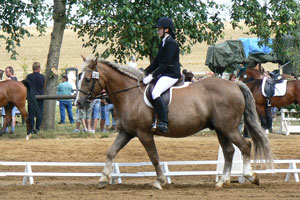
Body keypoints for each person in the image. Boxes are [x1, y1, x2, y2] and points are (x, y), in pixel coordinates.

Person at [143, 17, 181, 133]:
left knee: (155, 92)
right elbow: (156, 62)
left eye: (159, 29)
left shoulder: (171, 43)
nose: (158, 31)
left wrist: (152, 76)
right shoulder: (163, 42)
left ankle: (164, 122)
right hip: (164, 73)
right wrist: (144, 72)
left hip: (171, 74)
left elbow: (165, 64)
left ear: (167, 30)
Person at [26, 62, 45, 134]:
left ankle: (31, 129)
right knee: (39, 113)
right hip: (40, 96)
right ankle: (37, 128)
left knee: (31, 114)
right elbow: (44, 86)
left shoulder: (29, 76)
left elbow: (27, 86)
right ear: (39, 68)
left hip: (31, 97)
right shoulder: (42, 76)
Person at [2, 66, 18, 133]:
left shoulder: (8, 79)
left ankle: (5, 129)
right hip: (14, 99)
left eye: (7, 72)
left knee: (5, 114)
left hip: (7, 100)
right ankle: (12, 129)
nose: (6, 73)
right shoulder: (15, 78)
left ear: (11, 72)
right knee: (13, 114)